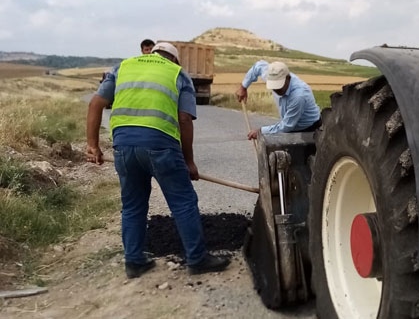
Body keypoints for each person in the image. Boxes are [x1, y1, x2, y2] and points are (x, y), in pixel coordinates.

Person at [86, 42, 229, 278]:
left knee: (133, 205)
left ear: (152, 54)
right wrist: (189, 161)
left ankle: (134, 261)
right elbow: (184, 119)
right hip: (160, 146)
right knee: (183, 202)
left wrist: (93, 146)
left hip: (123, 146)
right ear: (174, 60)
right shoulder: (177, 73)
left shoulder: (123, 67)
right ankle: (197, 259)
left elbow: (96, 103)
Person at [235, 60, 321, 140]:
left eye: (279, 86)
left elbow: (287, 126)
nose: (276, 90)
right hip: (289, 124)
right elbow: (258, 66)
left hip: (309, 129)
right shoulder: (271, 75)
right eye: (273, 86)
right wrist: (243, 87)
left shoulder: (299, 96)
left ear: (288, 78)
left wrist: (261, 131)